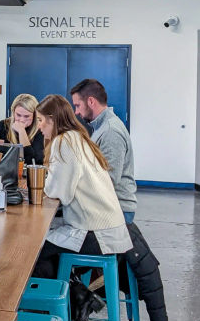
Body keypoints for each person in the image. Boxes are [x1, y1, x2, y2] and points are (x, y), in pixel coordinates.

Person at [32, 94, 133, 279]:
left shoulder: (63, 141)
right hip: (108, 230)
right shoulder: (77, 137)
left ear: (52, 119)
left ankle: (64, 294)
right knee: (46, 240)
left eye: (40, 120)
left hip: (96, 235)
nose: (38, 126)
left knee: (32, 249)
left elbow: (58, 192)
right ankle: (70, 289)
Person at [70, 79, 137, 224]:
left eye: (77, 105)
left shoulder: (110, 131)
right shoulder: (100, 127)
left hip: (117, 210)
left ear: (91, 101)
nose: (76, 112)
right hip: (107, 205)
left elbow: (109, 180)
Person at [0, 93, 45, 165]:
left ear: (34, 115)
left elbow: (34, 162)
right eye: (18, 115)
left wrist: (21, 131)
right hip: (3, 169)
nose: (21, 120)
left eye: (26, 116)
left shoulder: (40, 130)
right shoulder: (3, 125)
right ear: (13, 112)